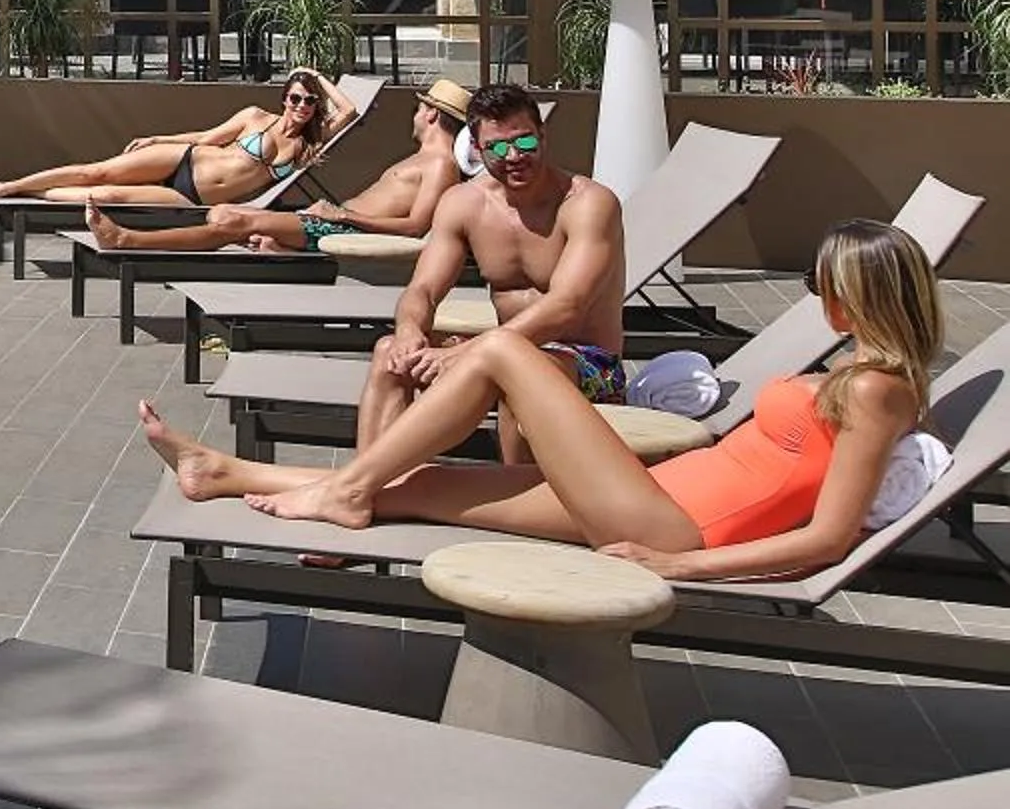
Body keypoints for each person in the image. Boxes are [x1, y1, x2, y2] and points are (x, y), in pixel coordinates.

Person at [141, 219, 940, 579]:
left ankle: (345, 491)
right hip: (652, 492)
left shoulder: (875, 392)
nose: (813, 296)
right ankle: (226, 473)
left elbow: (829, 538)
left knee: (498, 351)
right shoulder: (862, 374)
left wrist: (680, 565)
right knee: (421, 489)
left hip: (676, 523)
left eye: (820, 283)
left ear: (858, 291)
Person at [354, 82, 621, 461]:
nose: (513, 155)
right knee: (390, 354)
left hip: (590, 365)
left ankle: (511, 491)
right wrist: (409, 331)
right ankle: (370, 486)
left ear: (543, 136)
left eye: (525, 142)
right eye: (496, 147)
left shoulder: (586, 203)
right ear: (477, 150)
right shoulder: (465, 204)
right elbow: (423, 290)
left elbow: (568, 306)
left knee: (515, 369)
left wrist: (475, 351)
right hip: (500, 348)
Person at [89, 78, 475, 253]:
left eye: (420, 107)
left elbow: (415, 227)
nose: (415, 113)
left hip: (334, 227)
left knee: (226, 218)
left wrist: (342, 216)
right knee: (240, 225)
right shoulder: (426, 160)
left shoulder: (440, 165)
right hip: (326, 222)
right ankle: (281, 250)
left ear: (431, 116)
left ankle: (128, 240)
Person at [0, 68, 353, 210]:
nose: (302, 106)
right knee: (96, 173)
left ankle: (30, 195)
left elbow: (349, 111)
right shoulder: (256, 116)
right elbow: (206, 137)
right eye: (295, 98)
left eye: (309, 101)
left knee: (106, 197)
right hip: (187, 159)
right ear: (284, 99)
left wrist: (315, 75)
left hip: (193, 196)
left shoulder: (308, 146)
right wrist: (158, 139)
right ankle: (11, 185)